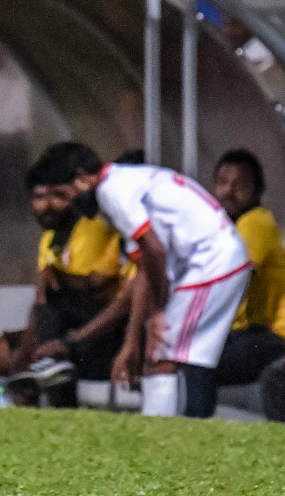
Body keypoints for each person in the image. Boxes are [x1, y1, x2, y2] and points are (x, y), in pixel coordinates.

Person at [50, 142, 251, 418]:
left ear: (83, 177)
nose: (67, 204)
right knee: (160, 353)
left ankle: (158, 437)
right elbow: (144, 267)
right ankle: (172, 430)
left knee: (161, 355)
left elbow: (153, 249)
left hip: (211, 261)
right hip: (212, 261)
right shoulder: (121, 184)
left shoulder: (112, 191)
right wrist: (132, 342)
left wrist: (158, 312)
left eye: (64, 193)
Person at [0, 150, 128, 405]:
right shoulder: (50, 239)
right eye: (40, 197)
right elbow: (42, 299)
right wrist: (29, 339)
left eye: (59, 196)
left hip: (93, 336)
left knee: (30, 366)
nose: (48, 205)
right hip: (53, 331)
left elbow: (97, 286)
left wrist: (56, 277)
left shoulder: (94, 228)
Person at [211, 148, 285, 387]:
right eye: (222, 182)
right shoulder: (226, 228)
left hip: (270, 334)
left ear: (258, 192)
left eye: (240, 185)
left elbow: (229, 277)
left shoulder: (256, 221)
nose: (228, 191)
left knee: (200, 358)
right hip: (248, 333)